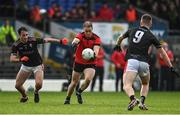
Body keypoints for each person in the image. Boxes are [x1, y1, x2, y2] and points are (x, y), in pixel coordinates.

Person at [115, 14, 175, 110]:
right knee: (145, 84)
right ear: (150, 23)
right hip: (144, 63)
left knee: (127, 85)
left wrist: (118, 45)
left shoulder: (132, 30)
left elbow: (120, 38)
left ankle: (133, 99)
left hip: (132, 61)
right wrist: (171, 66)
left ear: (141, 22)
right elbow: (163, 53)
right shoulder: (151, 36)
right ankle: (141, 103)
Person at [10, 27, 68, 103]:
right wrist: (20, 59)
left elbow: (47, 40)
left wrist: (60, 41)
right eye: (23, 35)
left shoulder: (33, 40)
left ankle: (36, 92)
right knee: (17, 86)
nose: (26, 37)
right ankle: (25, 97)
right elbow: (12, 59)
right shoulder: (16, 45)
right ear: (19, 35)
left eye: (27, 35)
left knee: (39, 84)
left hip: (37, 65)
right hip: (26, 66)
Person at [64, 21, 101, 104]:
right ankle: (67, 98)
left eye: (89, 31)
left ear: (92, 30)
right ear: (84, 30)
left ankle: (79, 92)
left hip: (90, 62)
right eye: (86, 31)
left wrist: (93, 54)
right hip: (79, 62)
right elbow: (76, 40)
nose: (87, 33)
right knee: (74, 83)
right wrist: (74, 43)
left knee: (88, 79)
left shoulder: (96, 38)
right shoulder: (80, 35)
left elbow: (96, 50)